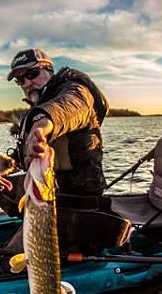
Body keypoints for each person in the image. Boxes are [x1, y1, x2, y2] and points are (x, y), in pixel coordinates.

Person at [7, 48, 108, 201]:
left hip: (79, 196)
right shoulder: (38, 105)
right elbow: (21, 158)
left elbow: (66, 107)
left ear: (49, 70)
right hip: (52, 187)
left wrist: (41, 125)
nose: (27, 83)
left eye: (31, 74)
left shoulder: (77, 91)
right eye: (20, 80)